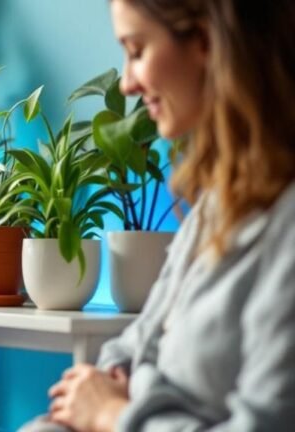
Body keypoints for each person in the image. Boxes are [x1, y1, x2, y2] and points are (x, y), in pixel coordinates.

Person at [22, 0, 295, 430]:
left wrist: (113, 415)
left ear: (207, 42)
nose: (127, 84)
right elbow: (135, 343)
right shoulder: (217, 203)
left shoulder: (285, 226)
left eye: (136, 51)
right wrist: (101, 395)